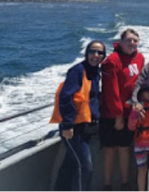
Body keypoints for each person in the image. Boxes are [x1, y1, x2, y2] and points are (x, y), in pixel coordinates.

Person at [51, 40, 106, 191]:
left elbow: (92, 98)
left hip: (86, 127)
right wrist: (68, 125)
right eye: (92, 51)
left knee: (70, 165)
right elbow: (65, 97)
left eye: (100, 53)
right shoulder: (77, 70)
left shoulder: (95, 73)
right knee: (85, 167)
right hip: (73, 129)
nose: (96, 55)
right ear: (87, 53)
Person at [100, 28, 145, 190]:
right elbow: (111, 91)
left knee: (125, 148)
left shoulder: (139, 58)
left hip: (130, 112)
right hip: (112, 114)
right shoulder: (112, 61)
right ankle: (107, 186)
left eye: (135, 40)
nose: (132, 43)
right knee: (110, 150)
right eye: (129, 40)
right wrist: (117, 115)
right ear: (121, 42)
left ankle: (125, 184)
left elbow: (140, 83)